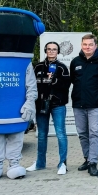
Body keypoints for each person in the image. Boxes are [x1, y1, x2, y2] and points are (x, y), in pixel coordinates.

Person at [26, 42, 71, 175]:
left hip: (57, 105)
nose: (51, 52)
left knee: (61, 134)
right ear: (46, 51)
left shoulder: (62, 68)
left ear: (58, 52)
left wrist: (53, 81)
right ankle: (40, 163)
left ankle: (62, 163)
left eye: (54, 49)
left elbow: (66, 87)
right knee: (41, 135)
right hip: (41, 105)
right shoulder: (38, 66)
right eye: (49, 49)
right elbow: (33, 85)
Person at [70, 34, 98, 177]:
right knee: (82, 133)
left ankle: (93, 162)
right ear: (81, 45)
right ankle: (87, 159)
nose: (87, 47)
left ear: (95, 46)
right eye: (85, 44)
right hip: (78, 103)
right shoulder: (75, 62)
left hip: (96, 104)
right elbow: (74, 81)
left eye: (90, 44)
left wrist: (97, 93)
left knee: (94, 133)